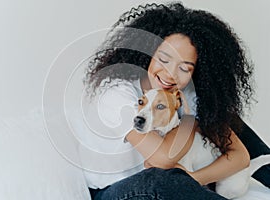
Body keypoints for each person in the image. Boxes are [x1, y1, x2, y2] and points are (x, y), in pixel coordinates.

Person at [80, 2, 270, 199]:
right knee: (161, 178)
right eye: (164, 59)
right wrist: (191, 121)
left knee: (217, 114)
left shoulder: (183, 93)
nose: (170, 74)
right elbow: (163, 159)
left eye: (185, 68)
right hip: (113, 190)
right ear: (148, 51)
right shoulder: (117, 92)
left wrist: (194, 179)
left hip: (173, 179)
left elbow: (240, 156)